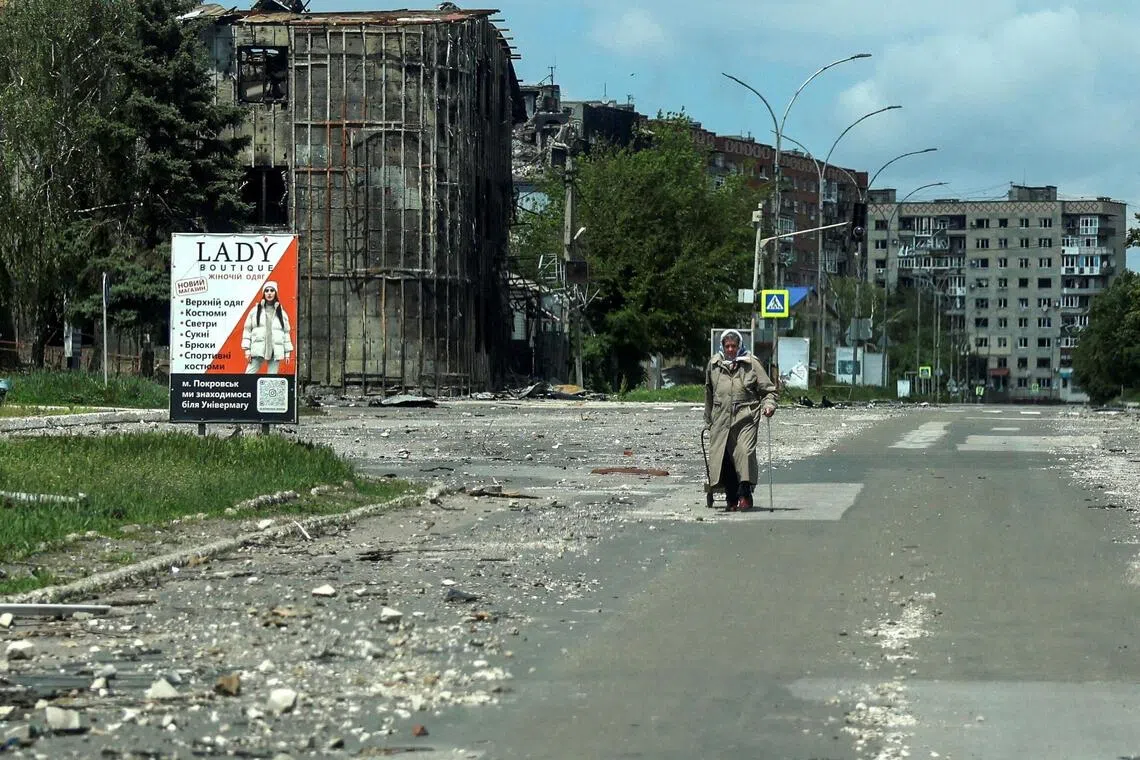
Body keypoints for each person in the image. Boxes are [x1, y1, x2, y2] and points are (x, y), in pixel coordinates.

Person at [703, 329, 778, 511]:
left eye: (733, 346)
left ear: (739, 346)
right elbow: (709, 393)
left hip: (746, 415)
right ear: (722, 346)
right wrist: (708, 420)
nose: (730, 349)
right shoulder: (714, 364)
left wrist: (769, 405)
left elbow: (768, 390)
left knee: (744, 452)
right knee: (725, 457)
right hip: (721, 418)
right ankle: (731, 497)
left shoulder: (751, 364)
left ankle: (745, 494)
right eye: (727, 346)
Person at [243, 281, 293, 374]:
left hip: (275, 350)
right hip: (258, 349)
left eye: (272, 290)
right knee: (248, 376)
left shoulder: (281, 312)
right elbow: (247, 331)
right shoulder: (255, 311)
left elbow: (286, 333)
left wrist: (287, 353)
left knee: (271, 379)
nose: (269, 293)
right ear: (263, 293)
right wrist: (247, 351)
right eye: (266, 290)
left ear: (275, 293)